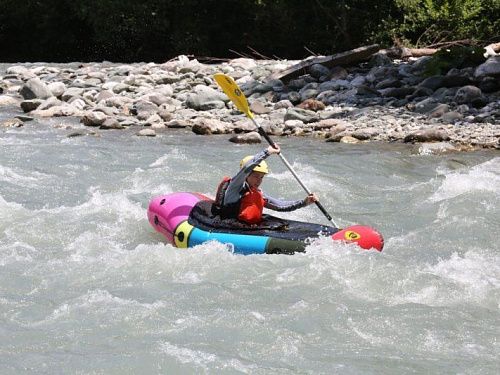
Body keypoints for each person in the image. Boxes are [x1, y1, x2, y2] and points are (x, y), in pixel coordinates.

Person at [213, 144, 318, 225]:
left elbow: (279, 206)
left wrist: (304, 202)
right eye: (255, 176)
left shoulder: (258, 193)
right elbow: (247, 168)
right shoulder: (234, 187)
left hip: (247, 228)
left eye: (261, 177)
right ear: (246, 176)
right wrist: (267, 152)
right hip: (228, 226)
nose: (259, 181)